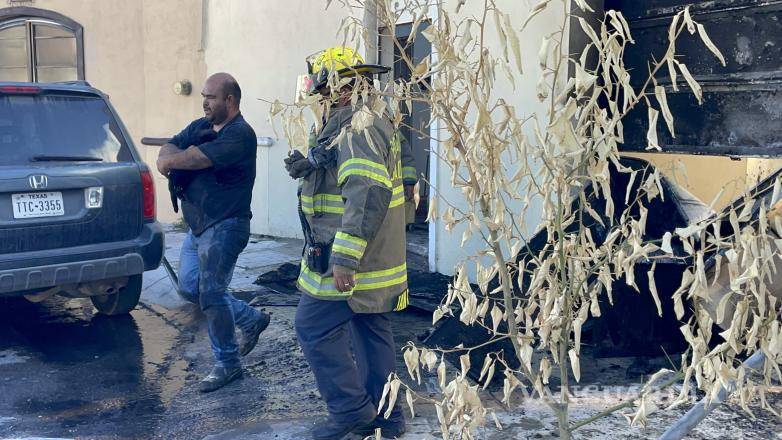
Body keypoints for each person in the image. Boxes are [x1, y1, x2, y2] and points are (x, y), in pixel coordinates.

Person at [284, 47, 408, 440]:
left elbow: (367, 193)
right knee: (371, 331)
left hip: (353, 257)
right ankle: (387, 418)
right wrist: (314, 164)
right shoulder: (354, 123)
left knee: (312, 327)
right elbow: (352, 177)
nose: (319, 97)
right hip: (374, 256)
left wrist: (345, 259)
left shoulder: (358, 127)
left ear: (340, 89)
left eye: (323, 90)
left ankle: (351, 411)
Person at [156, 72, 271, 393]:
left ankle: (228, 364)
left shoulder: (240, 135)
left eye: (211, 97)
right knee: (190, 288)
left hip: (226, 225)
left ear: (229, 101)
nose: (204, 102)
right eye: (203, 96)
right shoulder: (201, 126)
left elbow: (195, 158)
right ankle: (249, 319)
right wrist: (167, 155)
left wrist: (168, 162)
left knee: (210, 292)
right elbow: (174, 143)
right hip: (198, 226)